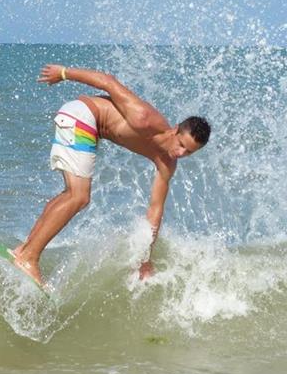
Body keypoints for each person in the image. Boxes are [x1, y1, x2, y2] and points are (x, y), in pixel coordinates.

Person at [11, 64, 211, 286]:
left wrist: (145, 259)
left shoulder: (167, 164)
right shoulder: (144, 118)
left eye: (189, 152)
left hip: (86, 127)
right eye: (181, 144)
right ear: (175, 130)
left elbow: (155, 210)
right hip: (81, 116)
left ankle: (25, 249)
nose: (181, 153)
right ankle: (28, 258)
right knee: (79, 197)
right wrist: (64, 73)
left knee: (71, 195)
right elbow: (108, 81)